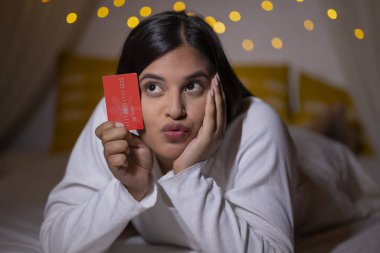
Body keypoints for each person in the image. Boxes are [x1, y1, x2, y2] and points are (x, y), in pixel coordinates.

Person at [40, 11, 296, 253]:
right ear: (128, 93)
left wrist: (186, 175)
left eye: (193, 86)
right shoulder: (115, 125)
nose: (175, 110)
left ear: (218, 88)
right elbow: (55, 242)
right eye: (152, 87)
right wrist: (128, 191)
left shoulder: (256, 124)